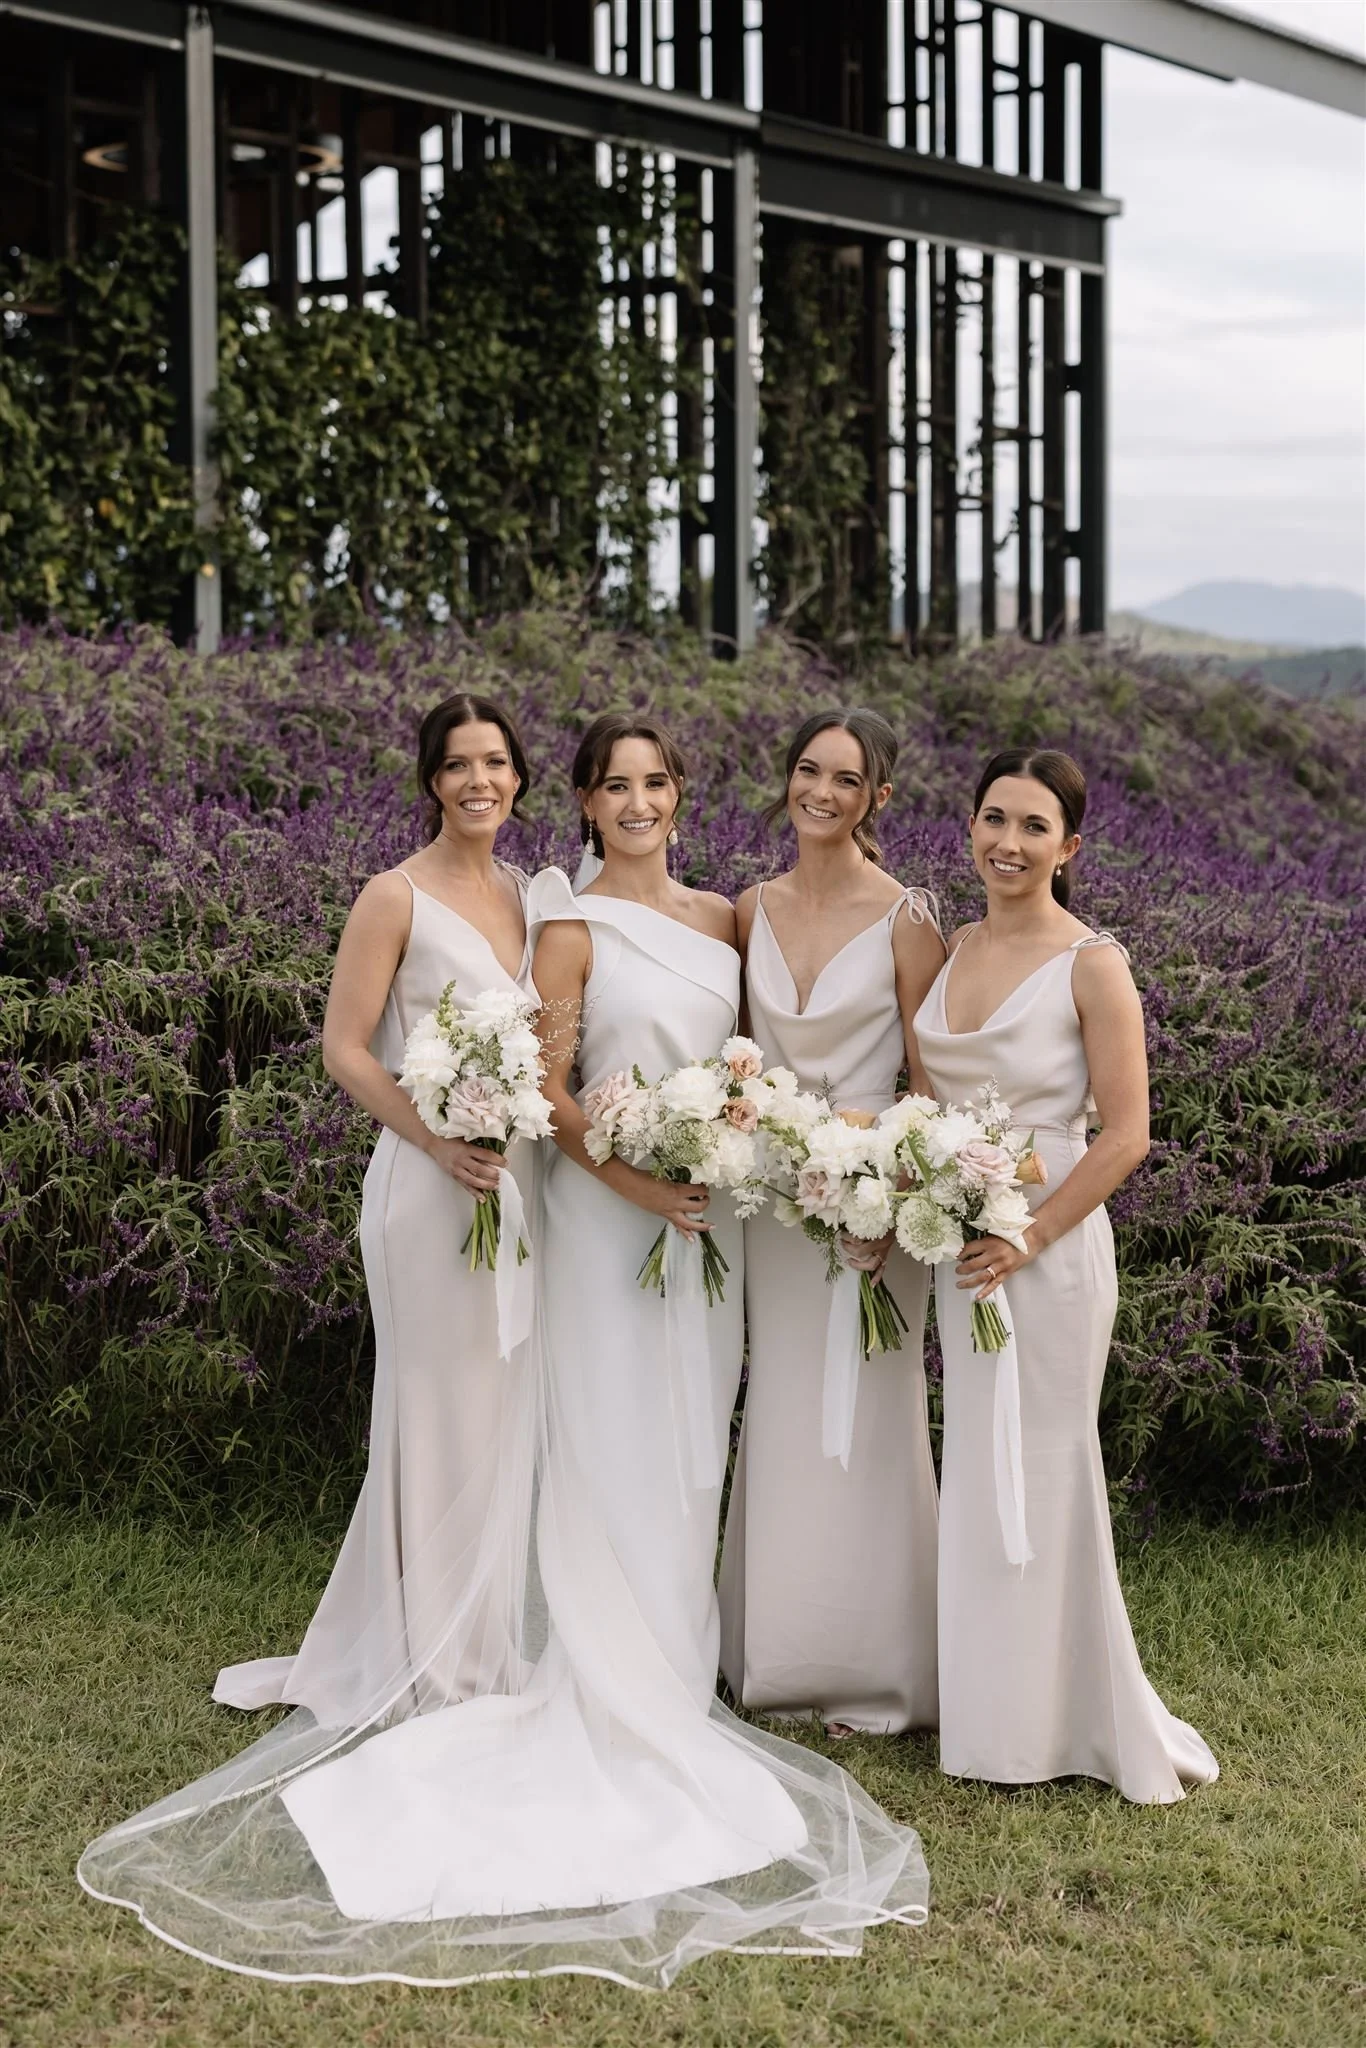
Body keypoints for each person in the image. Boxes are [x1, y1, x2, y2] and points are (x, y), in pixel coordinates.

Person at [77, 710, 929, 1988]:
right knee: (608, 1426)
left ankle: (675, 1657)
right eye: (613, 786)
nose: (636, 802)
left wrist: (737, 1139)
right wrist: (637, 1184)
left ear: (681, 795)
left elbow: (755, 1059)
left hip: (713, 1226)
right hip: (608, 1221)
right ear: (581, 804)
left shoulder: (722, 919)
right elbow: (558, 1090)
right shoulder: (568, 925)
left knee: (697, 1433)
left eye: (655, 782)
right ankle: (595, 1657)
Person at [214, 691, 539, 1722]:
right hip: (423, 1183)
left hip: (514, 1187)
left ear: (519, 777)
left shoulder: (535, 894)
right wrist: (439, 1136)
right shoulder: (392, 895)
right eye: (457, 764)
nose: (477, 780)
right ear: (430, 780)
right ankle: (423, 1655)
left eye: (494, 761)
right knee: (433, 1411)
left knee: (499, 1413)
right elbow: (345, 1047)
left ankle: (484, 1637)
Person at [913, 746, 1219, 1802]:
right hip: (963, 1243)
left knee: (1040, 1470)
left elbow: (1124, 1134)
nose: (1007, 840)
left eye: (1033, 825)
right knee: (977, 1467)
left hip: (1046, 1252)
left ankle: (1056, 1721)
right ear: (968, 828)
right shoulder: (950, 946)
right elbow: (931, 1105)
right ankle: (990, 1708)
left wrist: (1030, 1234)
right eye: (993, 817)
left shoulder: (1094, 962)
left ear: (1069, 845)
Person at [719, 709, 945, 1737]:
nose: (821, 790)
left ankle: (877, 1667)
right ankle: (770, 1653)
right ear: (787, 777)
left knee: (869, 1413)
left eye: (845, 778)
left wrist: (891, 1200)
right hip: (769, 1204)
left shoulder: (908, 917)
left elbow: (930, 1076)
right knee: (779, 1409)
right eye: (807, 769)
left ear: (876, 798)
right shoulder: (744, 908)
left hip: (867, 1205)